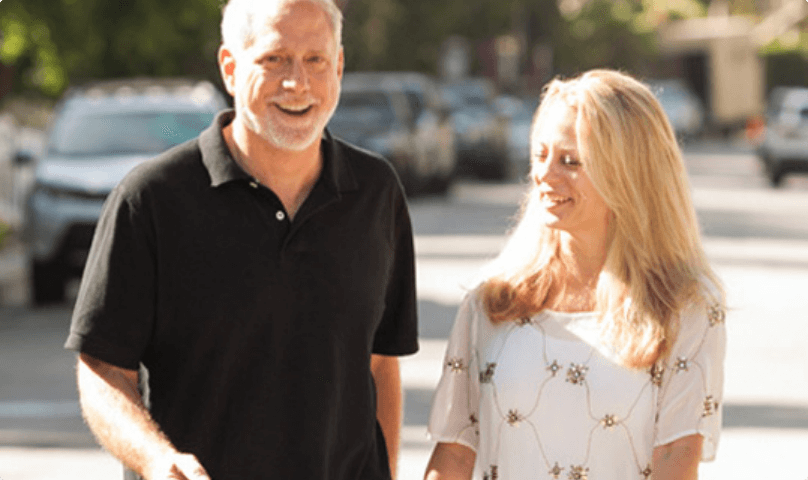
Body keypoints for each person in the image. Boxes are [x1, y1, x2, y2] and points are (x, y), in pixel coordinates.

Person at [64, 1, 418, 479]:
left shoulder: (376, 193)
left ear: (338, 65)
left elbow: (379, 363)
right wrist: (155, 459)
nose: (297, 83)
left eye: (315, 60)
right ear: (230, 69)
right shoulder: (151, 199)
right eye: (274, 60)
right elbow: (103, 368)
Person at [423, 69, 726, 480]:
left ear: (627, 173)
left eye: (570, 161)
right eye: (540, 155)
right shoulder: (492, 300)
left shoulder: (685, 306)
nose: (545, 176)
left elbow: (676, 457)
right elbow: (455, 454)